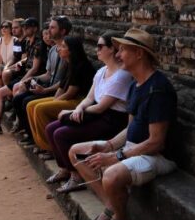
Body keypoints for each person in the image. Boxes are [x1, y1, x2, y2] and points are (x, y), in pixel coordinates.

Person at [71, 27, 177, 220]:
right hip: (133, 147)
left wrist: (116, 156)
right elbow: (130, 128)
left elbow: (156, 142)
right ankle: (111, 208)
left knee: (110, 175)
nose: (118, 55)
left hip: (154, 156)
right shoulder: (135, 85)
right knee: (77, 152)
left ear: (139, 53)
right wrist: (107, 145)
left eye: (123, 50)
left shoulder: (158, 88)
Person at [43, 32, 132, 193]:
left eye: (100, 46)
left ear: (112, 49)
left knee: (61, 134)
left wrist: (72, 112)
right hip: (96, 115)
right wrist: (78, 108)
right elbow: (89, 98)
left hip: (112, 119)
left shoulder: (121, 76)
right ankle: (64, 168)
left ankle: (76, 177)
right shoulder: (101, 72)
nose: (96, 50)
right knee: (51, 128)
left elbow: (101, 107)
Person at [25, 35, 93, 153]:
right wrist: (50, 96)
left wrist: (53, 102)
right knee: (30, 105)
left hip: (79, 102)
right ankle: (41, 144)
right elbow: (62, 87)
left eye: (63, 47)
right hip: (69, 99)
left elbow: (70, 93)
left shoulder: (81, 66)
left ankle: (50, 148)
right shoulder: (68, 63)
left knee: (40, 108)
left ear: (71, 50)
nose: (58, 49)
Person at [10, 16, 72, 141]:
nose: (48, 31)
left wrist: (45, 91)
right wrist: (30, 80)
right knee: (18, 99)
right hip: (49, 85)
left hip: (59, 90)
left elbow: (65, 81)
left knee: (26, 101)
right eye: (49, 28)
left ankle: (39, 139)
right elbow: (48, 74)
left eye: (52, 28)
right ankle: (31, 135)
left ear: (63, 31)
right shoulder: (53, 50)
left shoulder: (69, 50)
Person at [0, 17, 43, 133]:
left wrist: (21, 78)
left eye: (26, 27)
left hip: (32, 76)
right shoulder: (24, 42)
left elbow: (34, 68)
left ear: (34, 29)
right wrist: (11, 67)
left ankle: (20, 123)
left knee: (12, 85)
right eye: (23, 27)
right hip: (23, 72)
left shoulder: (38, 44)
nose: (24, 29)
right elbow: (21, 59)